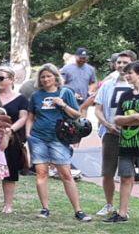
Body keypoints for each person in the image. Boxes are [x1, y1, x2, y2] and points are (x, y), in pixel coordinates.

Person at [27, 64, 92, 221]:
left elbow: (77, 114)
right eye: (42, 77)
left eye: (49, 76)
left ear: (55, 77)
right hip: (38, 137)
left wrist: (63, 104)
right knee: (41, 174)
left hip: (58, 138)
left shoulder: (65, 92)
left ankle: (78, 210)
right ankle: (45, 208)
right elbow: (30, 117)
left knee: (66, 174)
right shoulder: (36, 96)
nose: (45, 79)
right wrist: (28, 135)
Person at [107, 60, 139, 227]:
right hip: (126, 144)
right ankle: (122, 213)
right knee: (125, 178)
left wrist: (128, 120)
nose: (127, 76)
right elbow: (117, 120)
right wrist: (135, 117)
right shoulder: (126, 95)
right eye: (126, 73)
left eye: (130, 73)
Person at [91, 51, 136, 217]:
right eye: (119, 62)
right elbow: (98, 109)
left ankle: (125, 207)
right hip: (110, 133)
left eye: (125, 62)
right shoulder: (108, 85)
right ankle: (109, 204)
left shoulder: (137, 86)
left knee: (127, 173)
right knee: (108, 171)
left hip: (131, 135)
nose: (122, 65)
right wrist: (107, 125)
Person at [0, 67, 30, 214]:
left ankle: (8, 204)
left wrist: (10, 130)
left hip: (11, 140)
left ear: (11, 80)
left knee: (10, 172)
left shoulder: (21, 99)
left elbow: (23, 118)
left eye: (1, 78)